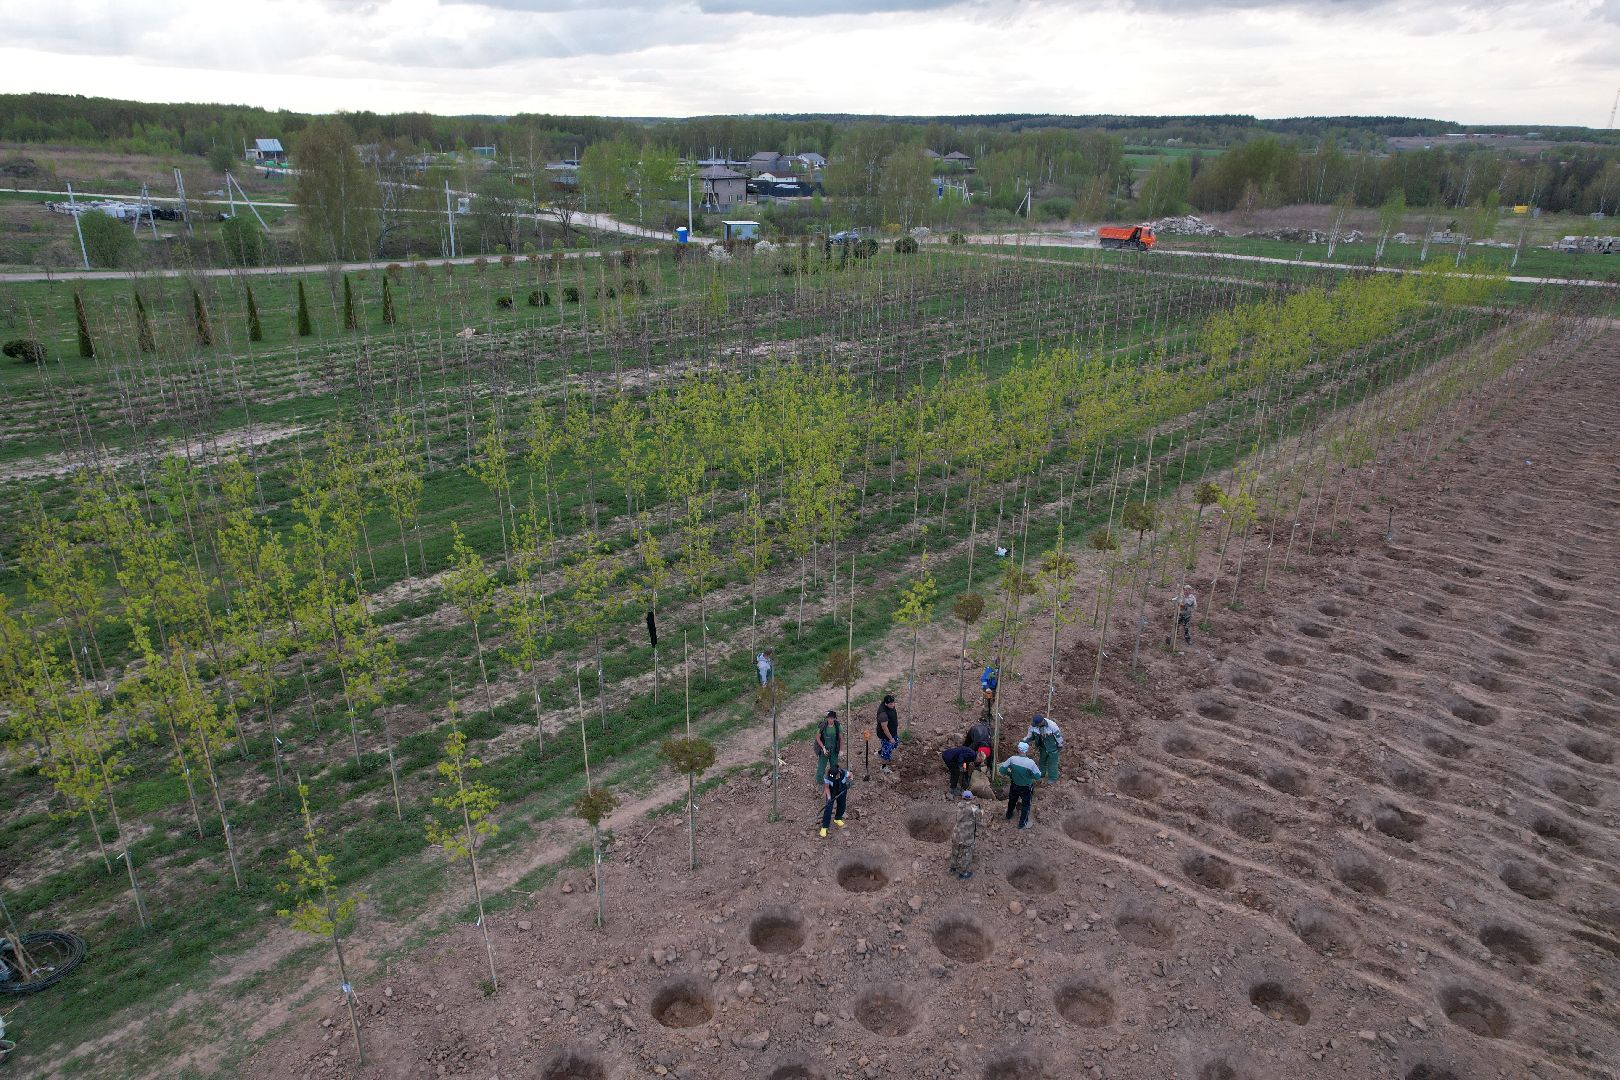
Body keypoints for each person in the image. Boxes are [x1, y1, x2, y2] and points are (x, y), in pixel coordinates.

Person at [998, 741, 1041, 829]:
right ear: (1027, 750)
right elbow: (1038, 776)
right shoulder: (1030, 763)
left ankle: (1008, 815)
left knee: (1012, 801)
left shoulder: (1012, 759)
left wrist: (1009, 774)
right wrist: (1029, 775)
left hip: (1014, 784)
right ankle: (1022, 823)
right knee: (1026, 805)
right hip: (1026, 787)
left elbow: (1002, 770)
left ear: (1018, 749)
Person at [949, 790, 982, 879]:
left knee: (955, 852)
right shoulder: (973, 808)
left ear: (962, 798)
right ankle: (963, 873)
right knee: (966, 855)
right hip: (966, 837)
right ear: (971, 798)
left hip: (956, 835)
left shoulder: (959, 805)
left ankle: (952, 868)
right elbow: (980, 815)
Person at [1026, 713, 1063, 784]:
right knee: (1042, 761)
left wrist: (1060, 745)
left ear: (1041, 722)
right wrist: (1025, 740)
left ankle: (1053, 777)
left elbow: (1058, 736)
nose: (1035, 725)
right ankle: (1041, 774)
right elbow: (1029, 735)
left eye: (1037, 724)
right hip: (1042, 747)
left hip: (1052, 747)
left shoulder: (1052, 725)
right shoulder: (1033, 725)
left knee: (1052, 763)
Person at [819, 763, 853, 838]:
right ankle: (824, 827)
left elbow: (851, 774)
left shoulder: (844, 773)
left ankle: (838, 818)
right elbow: (826, 787)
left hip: (842, 790)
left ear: (838, 774)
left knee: (842, 805)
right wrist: (829, 797)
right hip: (832, 791)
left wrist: (850, 781)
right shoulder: (827, 776)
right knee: (828, 808)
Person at [815, 710, 842, 788]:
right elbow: (817, 737)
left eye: (832, 718)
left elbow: (841, 738)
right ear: (827, 718)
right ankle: (820, 782)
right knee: (821, 766)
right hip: (824, 750)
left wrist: (841, 750)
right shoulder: (822, 726)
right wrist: (823, 748)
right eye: (829, 718)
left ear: (834, 719)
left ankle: (833, 781)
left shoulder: (838, 726)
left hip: (834, 750)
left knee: (834, 766)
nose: (830, 720)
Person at [875, 694, 900, 768]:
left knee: (894, 744)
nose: (893, 705)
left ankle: (880, 752)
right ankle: (883, 767)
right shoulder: (883, 715)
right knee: (887, 751)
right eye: (891, 704)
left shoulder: (890, 706)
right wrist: (890, 738)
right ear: (885, 703)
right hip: (886, 736)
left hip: (892, 731)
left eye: (893, 703)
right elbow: (885, 729)